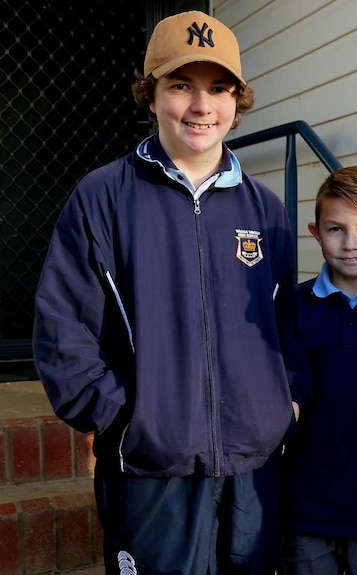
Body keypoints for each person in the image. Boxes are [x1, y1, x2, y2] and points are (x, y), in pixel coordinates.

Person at [32, 11, 297, 575]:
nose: (202, 107)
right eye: (181, 85)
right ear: (150, 96)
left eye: (218, 88)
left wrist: (284, 405)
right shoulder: (101, 196)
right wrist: (126, 418)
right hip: (151, 472)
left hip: (253, 471)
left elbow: (285, 326)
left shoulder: (265, 210)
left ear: (237, 100)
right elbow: (62, 329)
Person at [279, 166, 357, 575]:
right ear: (315, 232)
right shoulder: (293, 308)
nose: (351, 244)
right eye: (336, 230)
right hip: (307, 506)